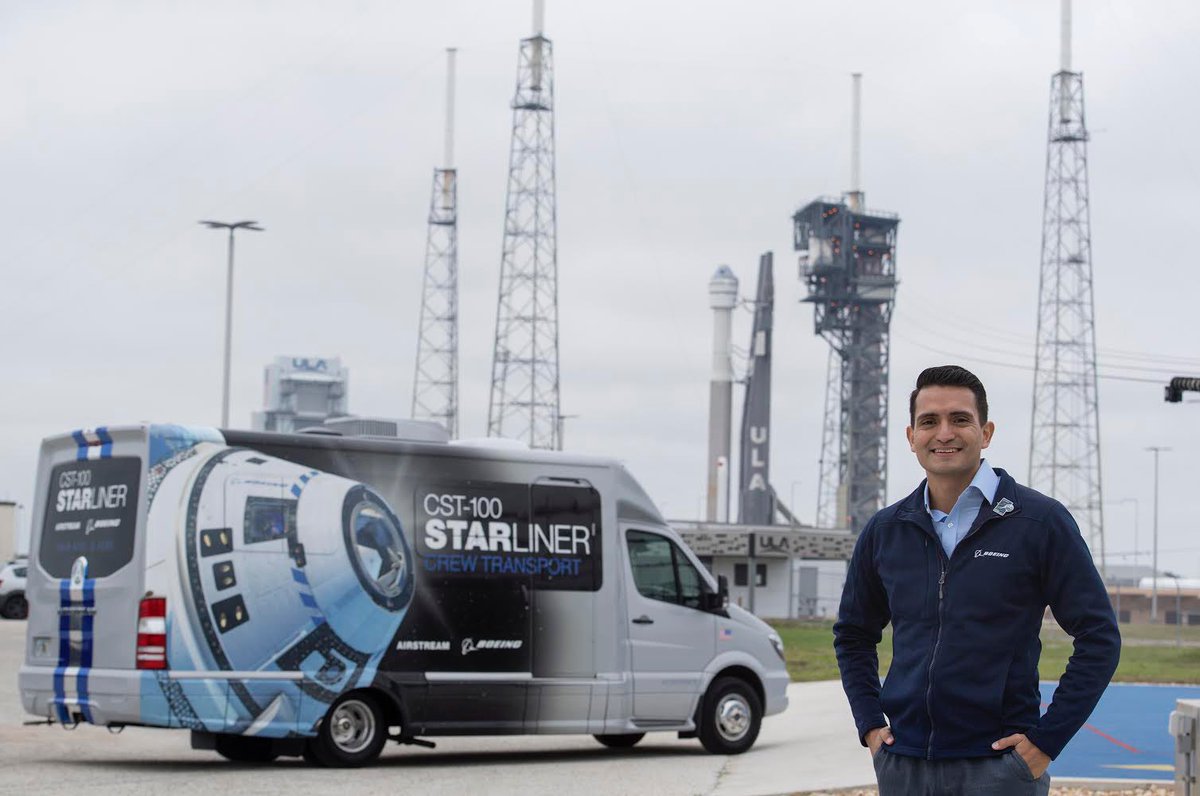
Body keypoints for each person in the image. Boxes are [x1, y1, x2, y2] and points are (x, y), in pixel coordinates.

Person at [833, 365, 1120, 795]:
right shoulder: (886, 529)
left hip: (999, 769)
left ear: (985, 432)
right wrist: (871, 726)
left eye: (960, 419)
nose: (944, 433)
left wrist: (1045, 743)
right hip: (903, 766)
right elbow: (853, 634)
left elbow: (1099, 636)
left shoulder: (1039, 523)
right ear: (911, 437)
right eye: (929, 421)